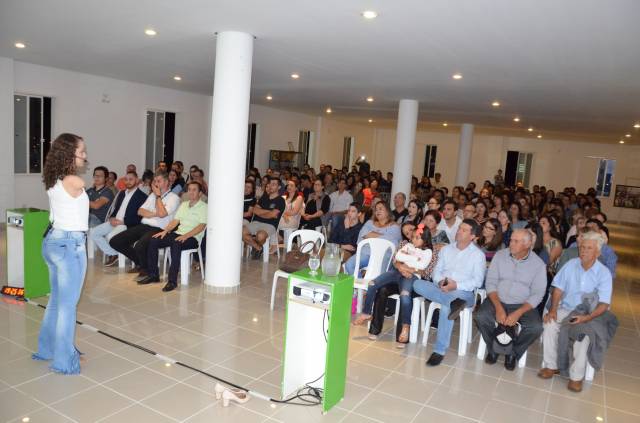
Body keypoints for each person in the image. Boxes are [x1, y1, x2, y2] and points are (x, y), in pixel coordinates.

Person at [33, 133, 89, 374]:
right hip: (70, 245)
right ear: (69, 154)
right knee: (67, 306)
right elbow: (84, 187)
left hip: (54, 242)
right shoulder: (75, 181)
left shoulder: (53, 177)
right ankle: (65, 362)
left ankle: (47, 349)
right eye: (82, 152)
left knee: (56, 302)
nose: (85, 156)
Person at [538, 232, 615, 393]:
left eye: (589, 248)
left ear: (597, 252)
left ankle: (576, 376)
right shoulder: (571, 264)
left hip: (589, 314)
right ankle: (551, 366)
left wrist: (586, 317)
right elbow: (558, 289)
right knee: (550, 324)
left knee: (584, 336)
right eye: (582, 247)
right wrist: (552, 310)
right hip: (566, 309)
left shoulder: (603, 273)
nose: (584, 251)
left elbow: (604, 304)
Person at [413, 219, 486, 366]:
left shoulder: (478, 255)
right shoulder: (446, 249)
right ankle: (453, 303)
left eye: (464, 230)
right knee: (417, 284)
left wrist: (456, 285)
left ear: (472, 236)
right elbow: (436, 272)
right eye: (459, 228)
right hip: (442, 287)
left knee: (447, 307)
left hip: (464, 293)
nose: (459, 231)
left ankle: (439, 351)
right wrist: (441, 282)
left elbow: (477, 282)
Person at [474, 229, 547, 370]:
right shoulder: (500, 256)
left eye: (516, 241)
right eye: (511, 240)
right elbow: (491, 283)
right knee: (480, 316)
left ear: (527, 245)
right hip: (497, 299)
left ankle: (513, 353)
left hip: (522, 304)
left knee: (535, 327)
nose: (510, 244)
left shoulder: (538, 265)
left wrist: (518, 312)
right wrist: (499, 308)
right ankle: (494, 349)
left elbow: (538, 294)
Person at [354, 225, 433, 347]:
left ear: (425, 240)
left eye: (417, 238)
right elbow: (398, 257)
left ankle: (405, 328)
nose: (414, 240)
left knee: (405, 296)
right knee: (373, 284)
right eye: (413, 237)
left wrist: (407, 265)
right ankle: (366, 313)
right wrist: (409, 264)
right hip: (397, 273)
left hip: (411, 279)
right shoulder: (407, 245)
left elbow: (422, 266)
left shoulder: (428, 252)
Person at [139, 181, 207, 292]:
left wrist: (186, 235)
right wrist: (165, 231)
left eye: (194, 190)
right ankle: (153, 275)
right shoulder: (184, 204)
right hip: (179, 234)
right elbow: (175, 221)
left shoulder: (204, 207)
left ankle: (172, 281)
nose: (191, 192)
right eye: (189, 189)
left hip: (193, 238)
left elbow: (201, 226)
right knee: (154, 239)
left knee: (176, 243)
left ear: (200, 193)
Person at [109, 171, 181, 276]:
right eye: (155, 181)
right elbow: (140, 211)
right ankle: (141, 263)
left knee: (140, 246)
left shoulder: (174, 198)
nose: (156, 184)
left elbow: (162, 214)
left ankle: (145, 268)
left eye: (159, 181)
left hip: (160, 229)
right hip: (144, 225)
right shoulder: (152, 195)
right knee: (115, 241)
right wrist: (154, 213)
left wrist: (158, 197)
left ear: (166, 182)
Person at [89, 170, 147, 266]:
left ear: (136, 180)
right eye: (126, 179)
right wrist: (111, 218)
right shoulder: (121, 193)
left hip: (126, 224)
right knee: (94, 233)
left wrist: (123, 222)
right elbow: (116, 209)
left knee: (110, 236)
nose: (128, 182)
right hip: (115, 221)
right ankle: (113, 254)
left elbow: (139, 217)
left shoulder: (142, 196)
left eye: (131, 179)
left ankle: (117, 255)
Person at [343, 201, 402, 275]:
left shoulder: (395, 226)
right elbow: (362, 234)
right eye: (376, 209)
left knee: (378, 278)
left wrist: (371, 235)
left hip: (383, 255)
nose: (377, 211)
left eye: (380, 209)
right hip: (366, 253)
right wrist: (383, 237)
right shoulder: (370, 222)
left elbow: (393, 242)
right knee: (349, 265)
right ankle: (359, 284)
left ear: (387, 211)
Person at [242, 176, 285, 259]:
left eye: (274, 184)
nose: (271, 186)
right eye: (270, 184)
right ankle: (258, 247)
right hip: (256, 222)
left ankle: (256, 247)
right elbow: (254, 210)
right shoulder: (264, 197)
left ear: (279, 187)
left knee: (260, 235)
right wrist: (268, 212)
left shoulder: (280, 200)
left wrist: (261, 212)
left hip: (270, 225)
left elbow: (272, 215)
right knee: (240, 232)